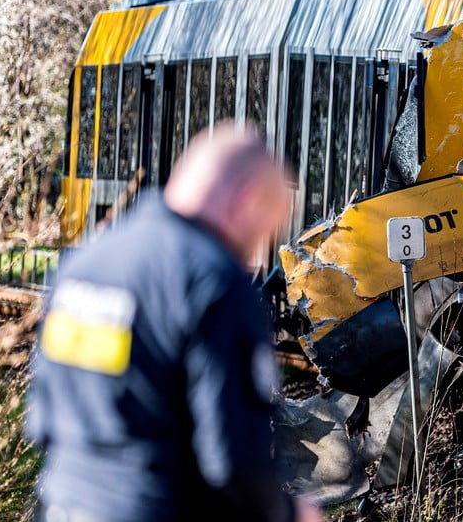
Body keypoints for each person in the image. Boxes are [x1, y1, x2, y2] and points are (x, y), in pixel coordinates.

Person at [25, 124, 323, 522]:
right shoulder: (213, 282)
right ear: (247, 201)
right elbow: (233, 461)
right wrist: (289, 513)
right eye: (263, 231)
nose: (254, 250)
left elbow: (42, 414)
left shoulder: (87, 262)